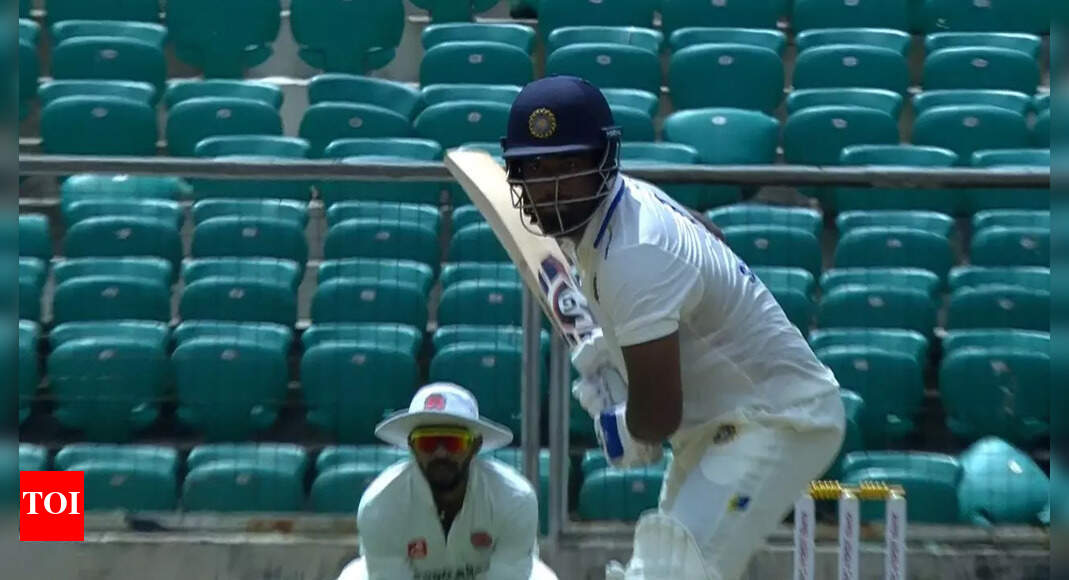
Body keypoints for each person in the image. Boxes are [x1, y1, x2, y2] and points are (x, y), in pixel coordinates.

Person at [500, 75, 847, 580]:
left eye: (567, 166)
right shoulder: (627, 204)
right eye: (534, 168)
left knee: (673, 573)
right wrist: (618, 356)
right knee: (658, 566)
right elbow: (710, 236)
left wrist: (624, 425)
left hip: (778, 421)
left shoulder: (634, 250)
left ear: (603, 160)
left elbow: (659, 416)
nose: (549, 187)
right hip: (716, 426)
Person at [337, 382, 558, 580]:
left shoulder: (514, 498)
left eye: (453, 442)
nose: (441, 453)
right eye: (428, 443)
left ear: (475, 446)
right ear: (412, 446)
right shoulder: (380, 504)